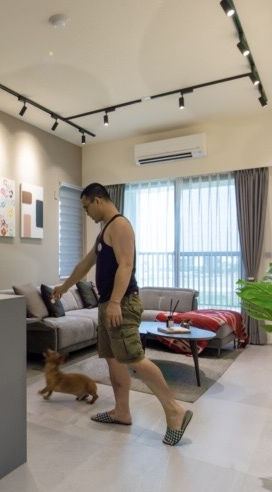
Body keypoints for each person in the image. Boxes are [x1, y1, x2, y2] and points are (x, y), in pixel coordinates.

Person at [52, 183, 193, 446]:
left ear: (97, 200)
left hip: (122, 302)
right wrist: (64, 287)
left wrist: (116, 301)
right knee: (113, 360)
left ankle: (175, 410)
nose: (87, 213)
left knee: (134, 358)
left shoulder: (120, 225)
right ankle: (121, 411)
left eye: (86, 208)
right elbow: (85, 265)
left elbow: (126, 265)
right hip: (107, 303)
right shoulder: (104, 231)